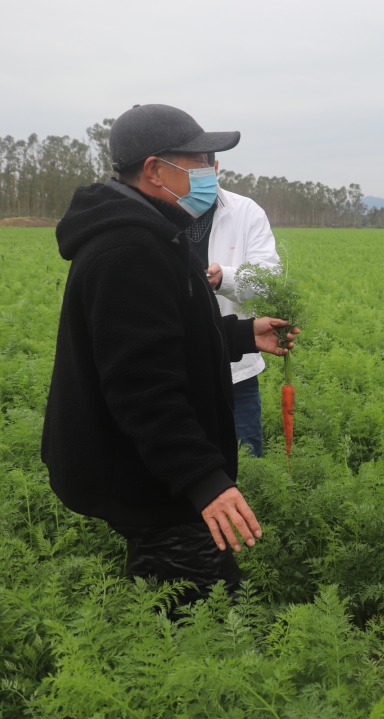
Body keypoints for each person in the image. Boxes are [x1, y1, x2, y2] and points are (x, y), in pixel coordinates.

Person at [41, 104, 297, 612]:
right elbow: (142, 386)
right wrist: (204, 483)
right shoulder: (129, 249)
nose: (211, 171)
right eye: (199, 159)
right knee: (211, 618)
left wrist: (243, 333)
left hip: (150, 470)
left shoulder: (152, 233)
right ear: (156, 170)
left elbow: (167, 340)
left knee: (170, 603)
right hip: (155, 483)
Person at [199, 151, 281, 458]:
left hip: (237, 372)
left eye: (202, 165)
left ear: (215, 167)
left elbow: (269, 280)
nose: (196, 175)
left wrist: (224, 279)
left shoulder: (246, 212)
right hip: (178, 369)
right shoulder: (162, 215)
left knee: (248, 463)